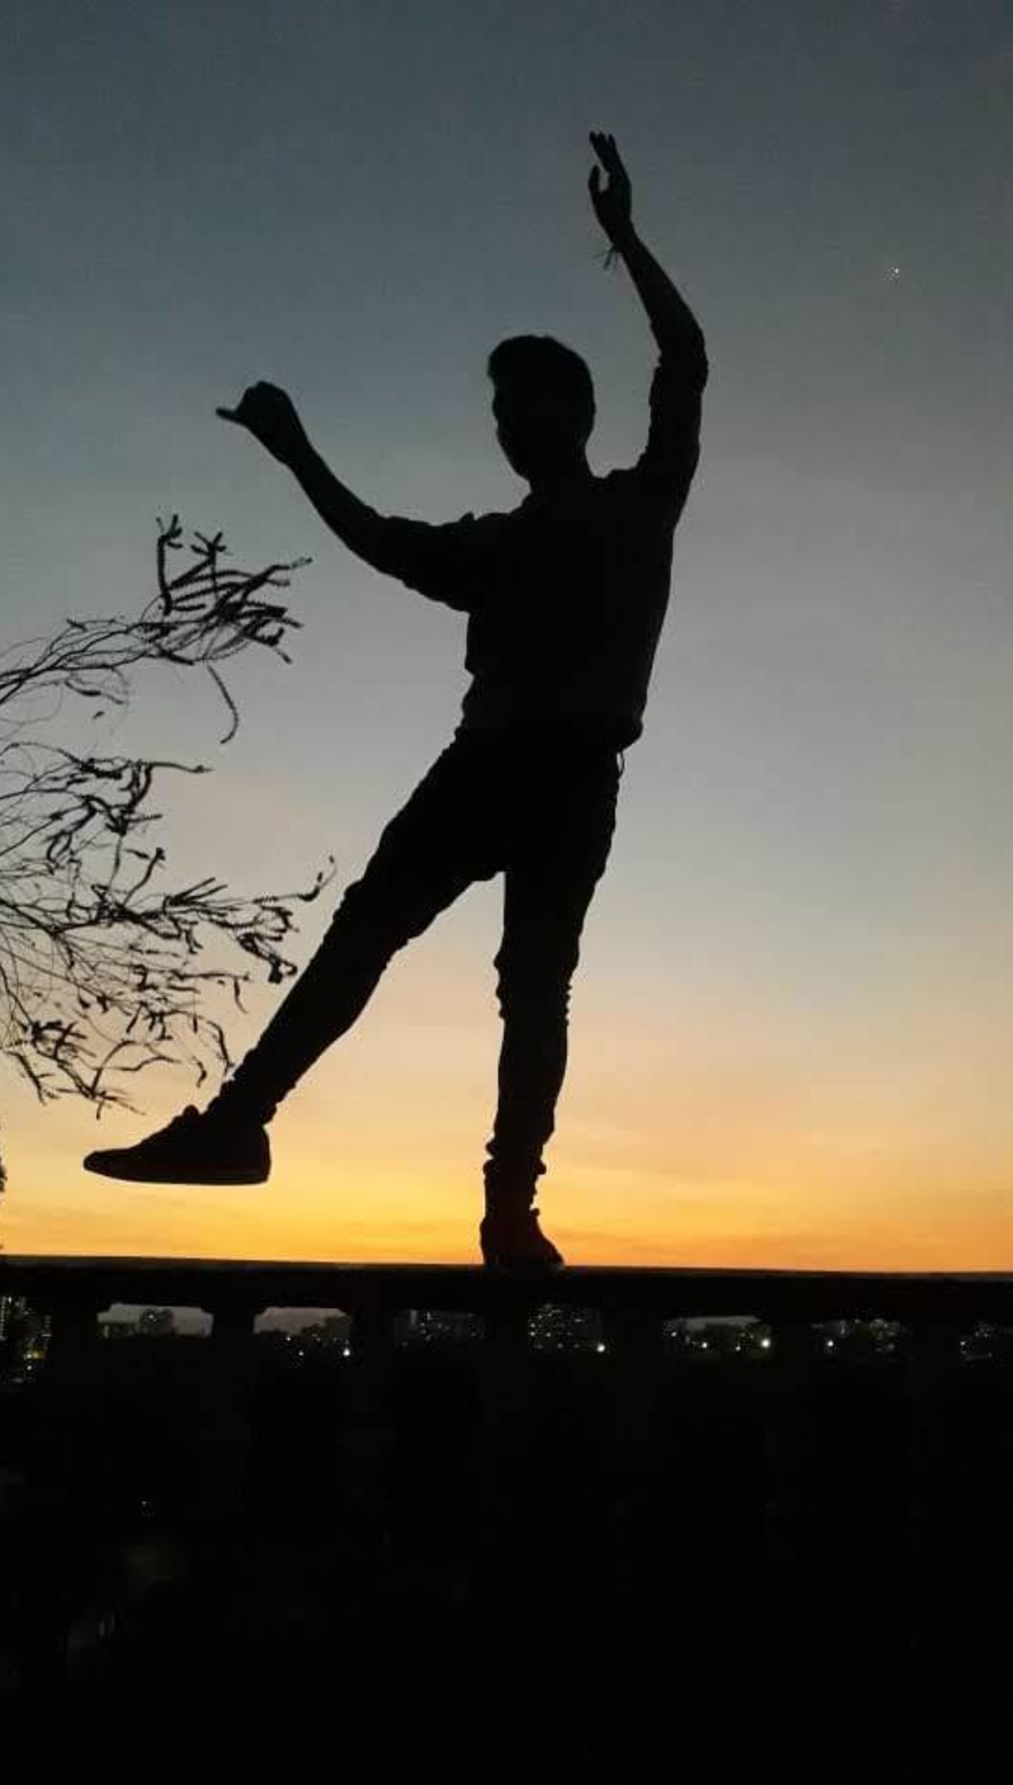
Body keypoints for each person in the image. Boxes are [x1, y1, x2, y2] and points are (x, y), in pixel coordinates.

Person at [84, 130, 709, 1270]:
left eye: (525, 401)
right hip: (482, 768)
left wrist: (625, 237)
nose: (508, 421)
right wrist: (297, 455)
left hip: (571, 776)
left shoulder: (639, 503)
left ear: (575, 410)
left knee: (534, 990)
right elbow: (379, 541)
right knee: (365, 934)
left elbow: (686, 358)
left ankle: (508, 1211)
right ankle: (239, 1127)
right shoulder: (491, 544)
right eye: (500, 408)